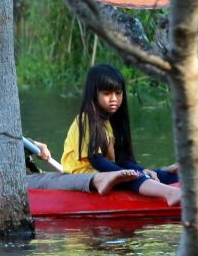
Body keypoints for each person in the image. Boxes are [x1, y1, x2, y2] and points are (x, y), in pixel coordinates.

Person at [60, 64, 181, 206]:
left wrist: (145, 171)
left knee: (163, 175)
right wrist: (131, 174)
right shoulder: (86, 119)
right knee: (132, 178)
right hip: (84, 177)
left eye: (118, 93)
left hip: (104, 172)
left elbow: (124, 160)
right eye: (107, 94)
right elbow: (97, 161)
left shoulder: (111, 121)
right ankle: (171, 194)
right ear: (94, 94)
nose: (114, 99)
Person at [22, 140, 140, 194]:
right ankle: (98, 180)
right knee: (51, 179)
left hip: (31, 176)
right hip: (19, 183)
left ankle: (98, 179)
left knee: (58, 176)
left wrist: (38, 145)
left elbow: (27, 142)